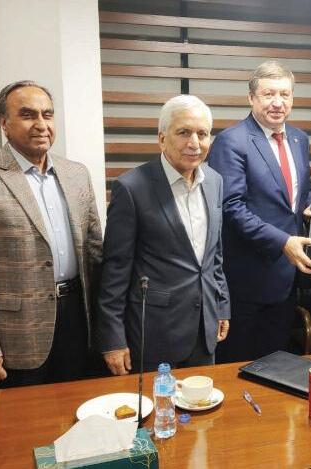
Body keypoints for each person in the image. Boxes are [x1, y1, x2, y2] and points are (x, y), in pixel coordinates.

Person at [0, 81, 103, 387]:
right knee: (24, 416)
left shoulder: (76, 174)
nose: (41, 124)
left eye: (47, 115)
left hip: (77, 318)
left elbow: (95, 253)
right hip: (15, 334)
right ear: (4, 123)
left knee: (77, 408)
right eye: (28, 115)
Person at [98, 95, 230, 373]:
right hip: (154, 333)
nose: (194, 143)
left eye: (202, 134)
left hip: (204, 330)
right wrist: (113, 338)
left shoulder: (215, 181)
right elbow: (115, 269)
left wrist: (221, 306)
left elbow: (214, 255)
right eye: (184, 132)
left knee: (202, 399)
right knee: (156, 402)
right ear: (161, 139)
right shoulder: (131, 188)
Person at [207, 60, 311, 362]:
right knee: (240, 366)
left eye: (285, 94)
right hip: (247, 280)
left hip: (287, 277)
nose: (277, 103)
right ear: (251, 98)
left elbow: (298, 193)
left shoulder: (299, 138)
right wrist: (283, 242)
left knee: (277, 363)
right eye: (269, 94)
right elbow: (231, 207)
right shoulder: (232, 141)